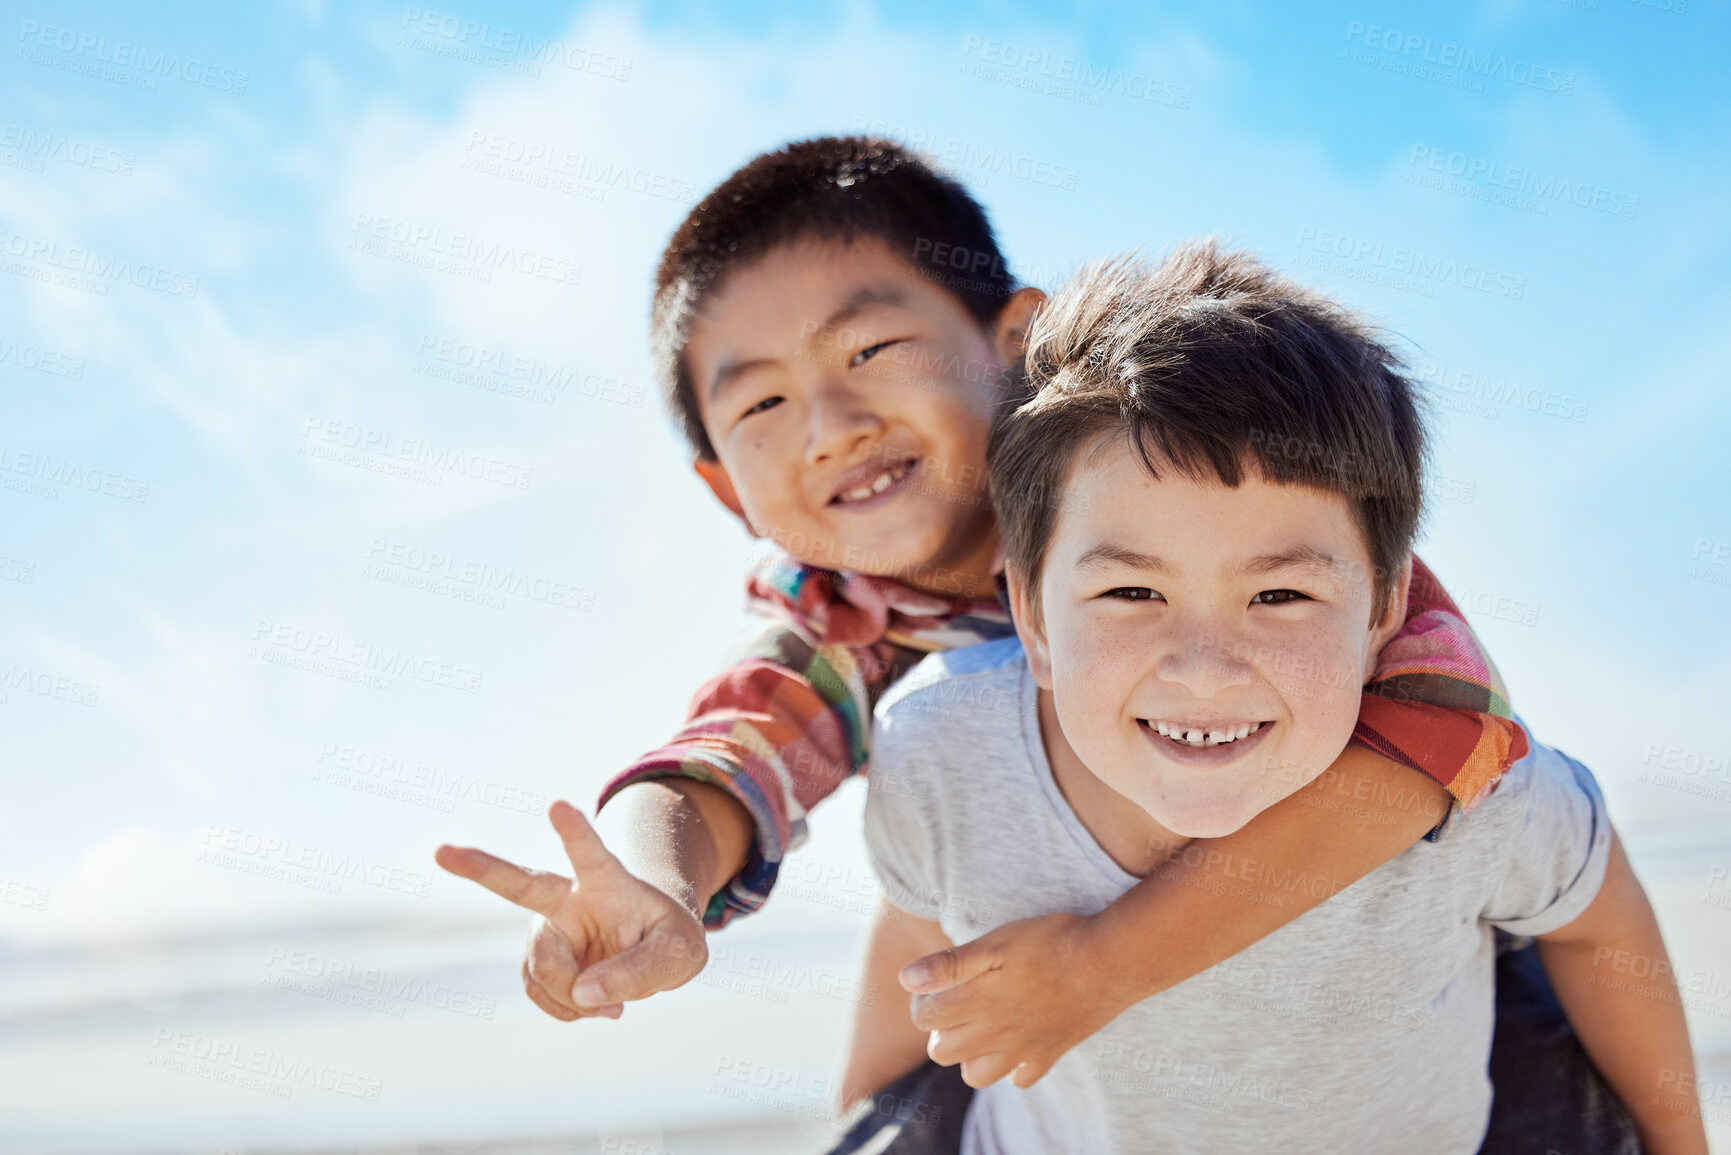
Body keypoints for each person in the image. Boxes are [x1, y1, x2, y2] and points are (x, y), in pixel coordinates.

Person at [431, 140, 1593, 1139]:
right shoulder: (846, 609)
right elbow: (739, 745)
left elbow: (1442, 732)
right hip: (1036, 957)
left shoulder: (1198, 478)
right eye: (762, 407)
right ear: (724, 485)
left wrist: (1110, 965)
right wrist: (654, 880)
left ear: (1018, 340)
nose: (832, 427)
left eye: (870, 353)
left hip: (1391, 969)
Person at [847, 242, 1704, 1153]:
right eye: (1132, 593)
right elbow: (915, 932)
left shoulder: (1477, 800)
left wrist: (1677, 1141)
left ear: (1382, 608)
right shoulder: (940, 752)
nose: (1205, 668)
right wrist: (859, 1118)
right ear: (1033, 615)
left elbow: (1598, 920)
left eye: (1279, 595)